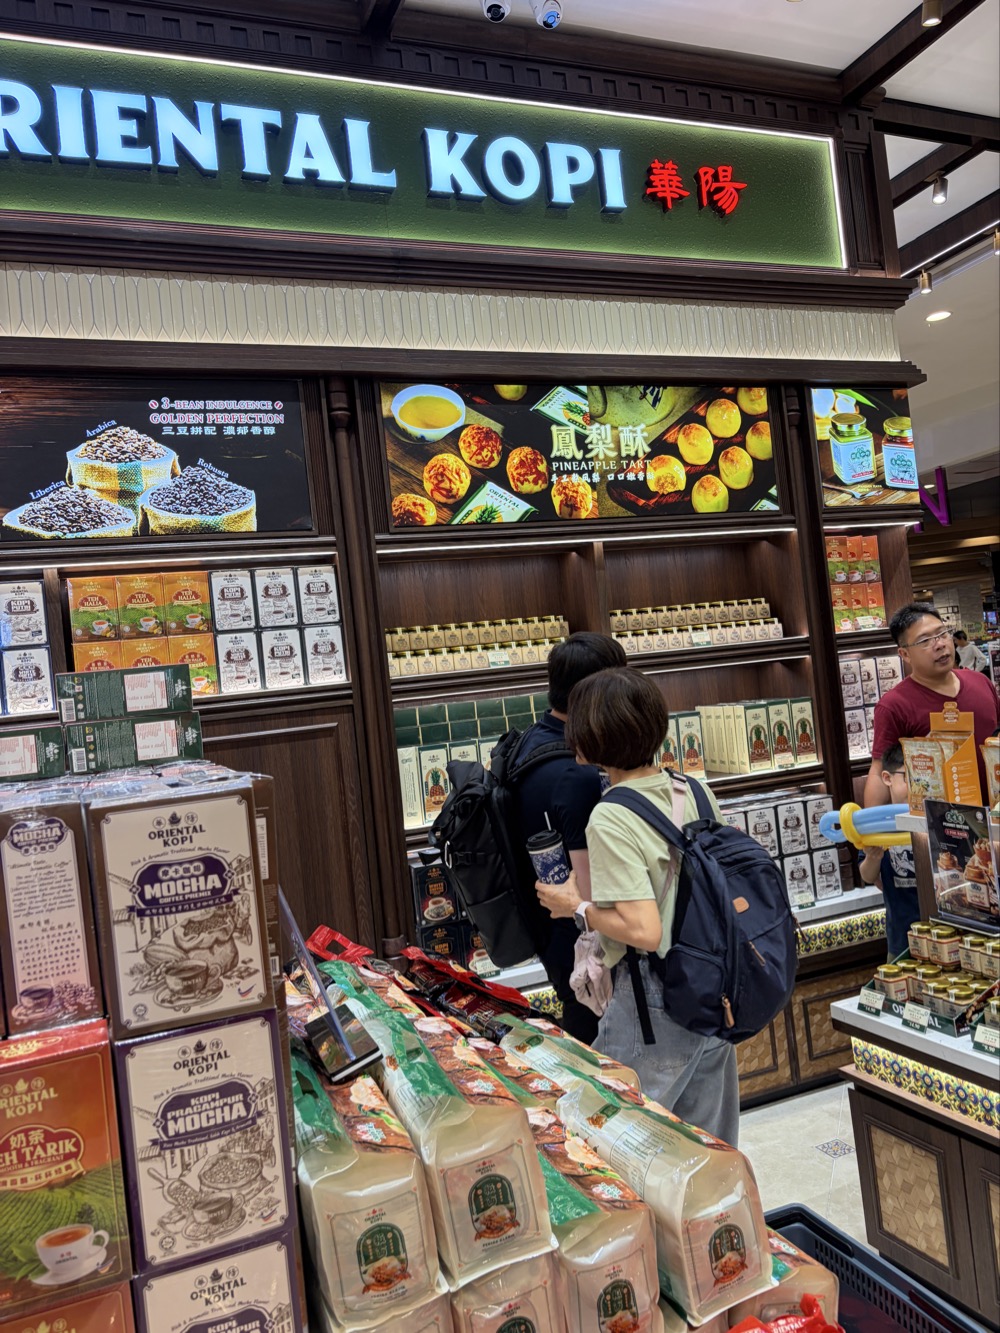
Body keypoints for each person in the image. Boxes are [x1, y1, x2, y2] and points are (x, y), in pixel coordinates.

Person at [535, 667, 739, 1146]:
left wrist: (576, 906)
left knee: (620, 1141)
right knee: (708, 1146)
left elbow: (644, 929)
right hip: (713, 988)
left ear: (596, 734)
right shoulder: (693, 790)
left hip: (654, 998)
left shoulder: (611, 816)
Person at [510, 631, 626, 1044]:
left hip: (548, 936)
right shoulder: (577, 774)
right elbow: (590, 893)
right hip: (585, 953)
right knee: (606, 1058)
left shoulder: (528, 742)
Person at [864, 602, 1000, 808]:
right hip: (940, 822)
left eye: (942, 634)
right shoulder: (894, 705)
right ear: (905, 654)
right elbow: (879, 771)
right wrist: (871, 825)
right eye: (925, 641)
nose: (940, 644)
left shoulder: (980, 682)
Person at [858, 745, 919, 960]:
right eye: (908, 777)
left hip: (941, 932)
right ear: (887, 778)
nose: (916, 787)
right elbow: (867, 875)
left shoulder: (933, 818)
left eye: (922, 779)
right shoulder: (876, 824)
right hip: (900, 936)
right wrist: (873, 858)